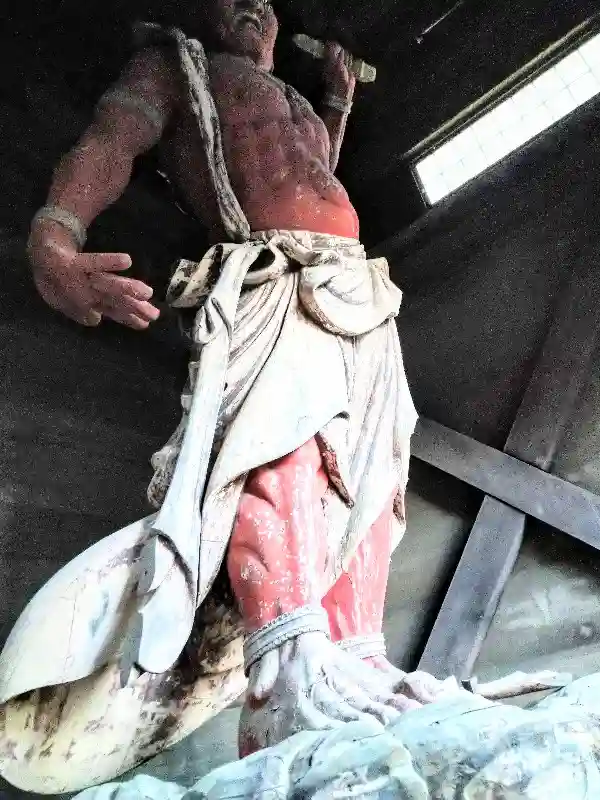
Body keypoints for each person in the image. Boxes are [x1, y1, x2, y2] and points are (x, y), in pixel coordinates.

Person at [0, 0, 420, 793]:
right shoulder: (179, 66)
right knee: (277, 442)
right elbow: (109, 143)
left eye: (264, 2)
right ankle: (287, 668)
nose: (253, 9)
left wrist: (336, 100)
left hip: (353, 281)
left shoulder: (294, 97)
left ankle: (357, 658)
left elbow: (312, 171)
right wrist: (54, 240)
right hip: (268, 273)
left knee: (371, 470)